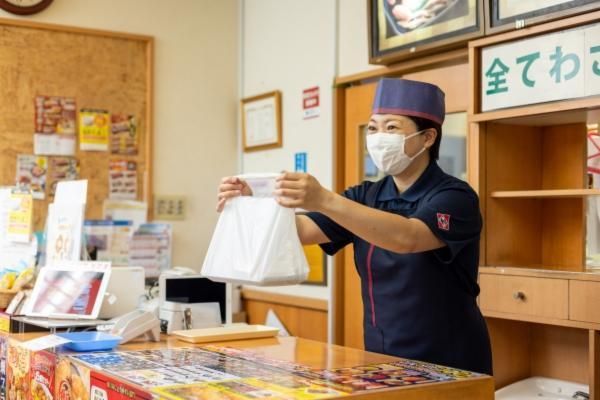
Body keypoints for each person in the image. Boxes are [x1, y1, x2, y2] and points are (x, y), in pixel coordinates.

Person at [217, 78, 492, 375]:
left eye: (391, 127)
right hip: (381, 357)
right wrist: (251, 203)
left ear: (427, 138)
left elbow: (408, 237)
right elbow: (301, 230)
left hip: (450, 360)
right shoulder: (366, 195)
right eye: (372, 128)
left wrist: (324, 199)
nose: (378, 137)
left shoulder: (455, 197)